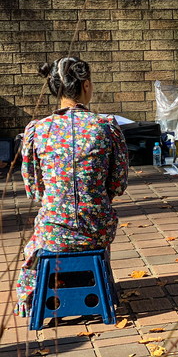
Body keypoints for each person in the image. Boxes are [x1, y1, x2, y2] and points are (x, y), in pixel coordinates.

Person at [14, 57, 129, 317]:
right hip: (96, 228)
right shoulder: (106, 126)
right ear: (86, 85)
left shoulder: (38, 130)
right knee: (96, 222)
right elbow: (118, 183)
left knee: (39, 236)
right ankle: (94, 281)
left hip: (54, 232)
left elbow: (33, 188)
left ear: (55, 88)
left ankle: (37, 296)